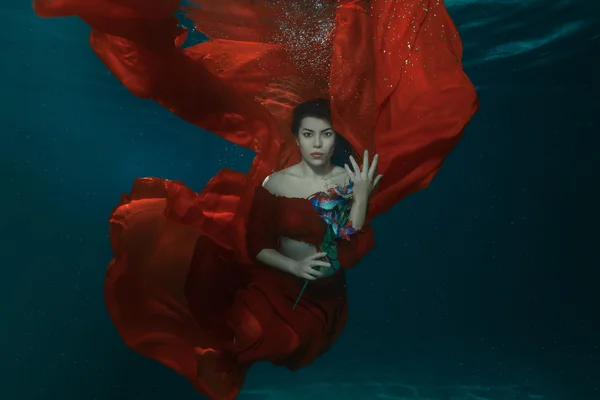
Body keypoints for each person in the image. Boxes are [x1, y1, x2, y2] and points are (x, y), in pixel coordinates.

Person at [34, 0, 479, 398]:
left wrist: (341, 214)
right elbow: (319, 234)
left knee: (249, 313)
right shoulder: (289, 186)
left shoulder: (302, 185)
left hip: (294, 277)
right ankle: (229, 345)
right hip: (295, 275)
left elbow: (327, 232)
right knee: (253, 310)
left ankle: (228, 346)